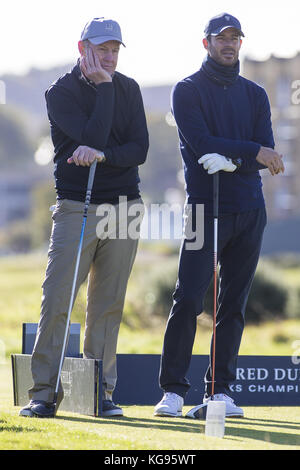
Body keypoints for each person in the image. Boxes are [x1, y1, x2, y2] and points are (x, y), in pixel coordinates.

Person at [154, 12, 284, 418]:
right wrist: (248, 153)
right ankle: (173, 392)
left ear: (240, 44)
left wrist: (232, 159)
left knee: (233, 304)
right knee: (188, 298)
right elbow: (201, 143)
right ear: (206, 43)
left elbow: (266, 151)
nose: (228, 44)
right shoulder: (187, 90)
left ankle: (219, 392)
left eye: (235, 39)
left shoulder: (256, 94)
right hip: (202, 210)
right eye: (220, 38)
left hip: (250, 210)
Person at [20, 17, 149, 418]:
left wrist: (106, 153)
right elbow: (91, 137)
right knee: (58, 298)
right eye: (102, 49)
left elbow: (138, 149)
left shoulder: (129, 88)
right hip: (78, 206)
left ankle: (100, 392)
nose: (109, 57)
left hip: (125, 206)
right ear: (83, 49)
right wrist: (105, 100)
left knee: (108, 305)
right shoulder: (60, 93)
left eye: (115, 50)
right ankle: (43, 393)